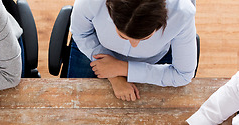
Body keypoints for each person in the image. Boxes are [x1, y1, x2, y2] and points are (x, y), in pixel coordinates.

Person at [69, 0, 197, 101]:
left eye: (145, 38)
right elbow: (81, 33)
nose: (134, 45)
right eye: (122, 36)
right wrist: (114, 77)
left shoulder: (182, 11)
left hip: (154, 58)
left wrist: (122, 68)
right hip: (95, 46)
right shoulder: (91, 2)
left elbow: (183, 75)